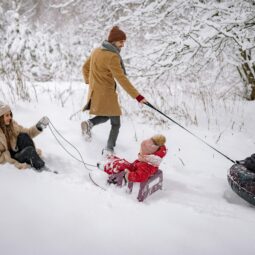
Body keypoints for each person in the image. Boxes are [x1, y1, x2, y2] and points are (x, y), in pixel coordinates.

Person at [81, 26, 147, 155]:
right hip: (107, 93)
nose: (123, 45)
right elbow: (122, 79)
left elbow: (84, 67)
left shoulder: (96, 50)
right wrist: (138, 97)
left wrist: (90, 82)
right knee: (115, 123)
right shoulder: (112, 57)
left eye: (124, 41)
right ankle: (109, 149)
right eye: (121, 41)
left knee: (106, 115)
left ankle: (89, 124)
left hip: (96, 91)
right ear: (113, 41)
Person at [0, 101, 49, 171]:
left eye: (10, 115)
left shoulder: (12, 124)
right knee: (28, 151)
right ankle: (41, 168)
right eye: (7, 115)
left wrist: (39, 127)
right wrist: (7, 156)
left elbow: (28, 133)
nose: (10, 117)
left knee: (24, 136)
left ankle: (33, 157)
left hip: (17, 150)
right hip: (11, 157)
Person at [100, 134, 167, 183]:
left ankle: (105, 167)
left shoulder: (146, 165)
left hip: (132, 172)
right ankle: (110, 158)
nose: (140, 153)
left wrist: (128, 175)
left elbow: (140, 177)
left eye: (141, 151)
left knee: (119, 166)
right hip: (134, 168)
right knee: (122, 162)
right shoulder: (150, 159)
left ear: (147, 153)